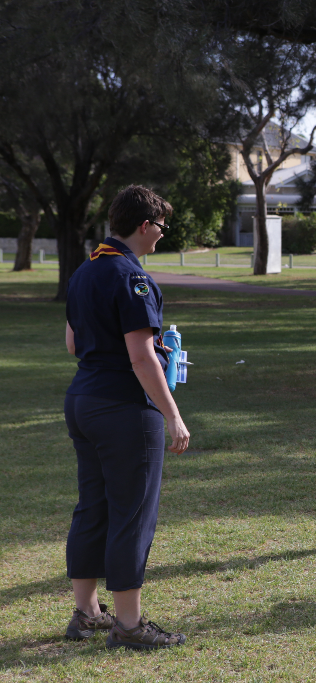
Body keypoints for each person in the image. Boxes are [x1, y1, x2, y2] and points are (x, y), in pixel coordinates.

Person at [63, 185, 189, 649]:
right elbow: (141, 357)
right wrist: (172, 414)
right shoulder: (133, 277)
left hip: (82, 399)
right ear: (144, 226)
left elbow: (74, 344)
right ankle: (130, 625)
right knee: (132, 513)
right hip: (122, 407)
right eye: (161, 226)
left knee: (92, 506)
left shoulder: (84, 270)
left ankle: (86, 612)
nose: (161, 234)